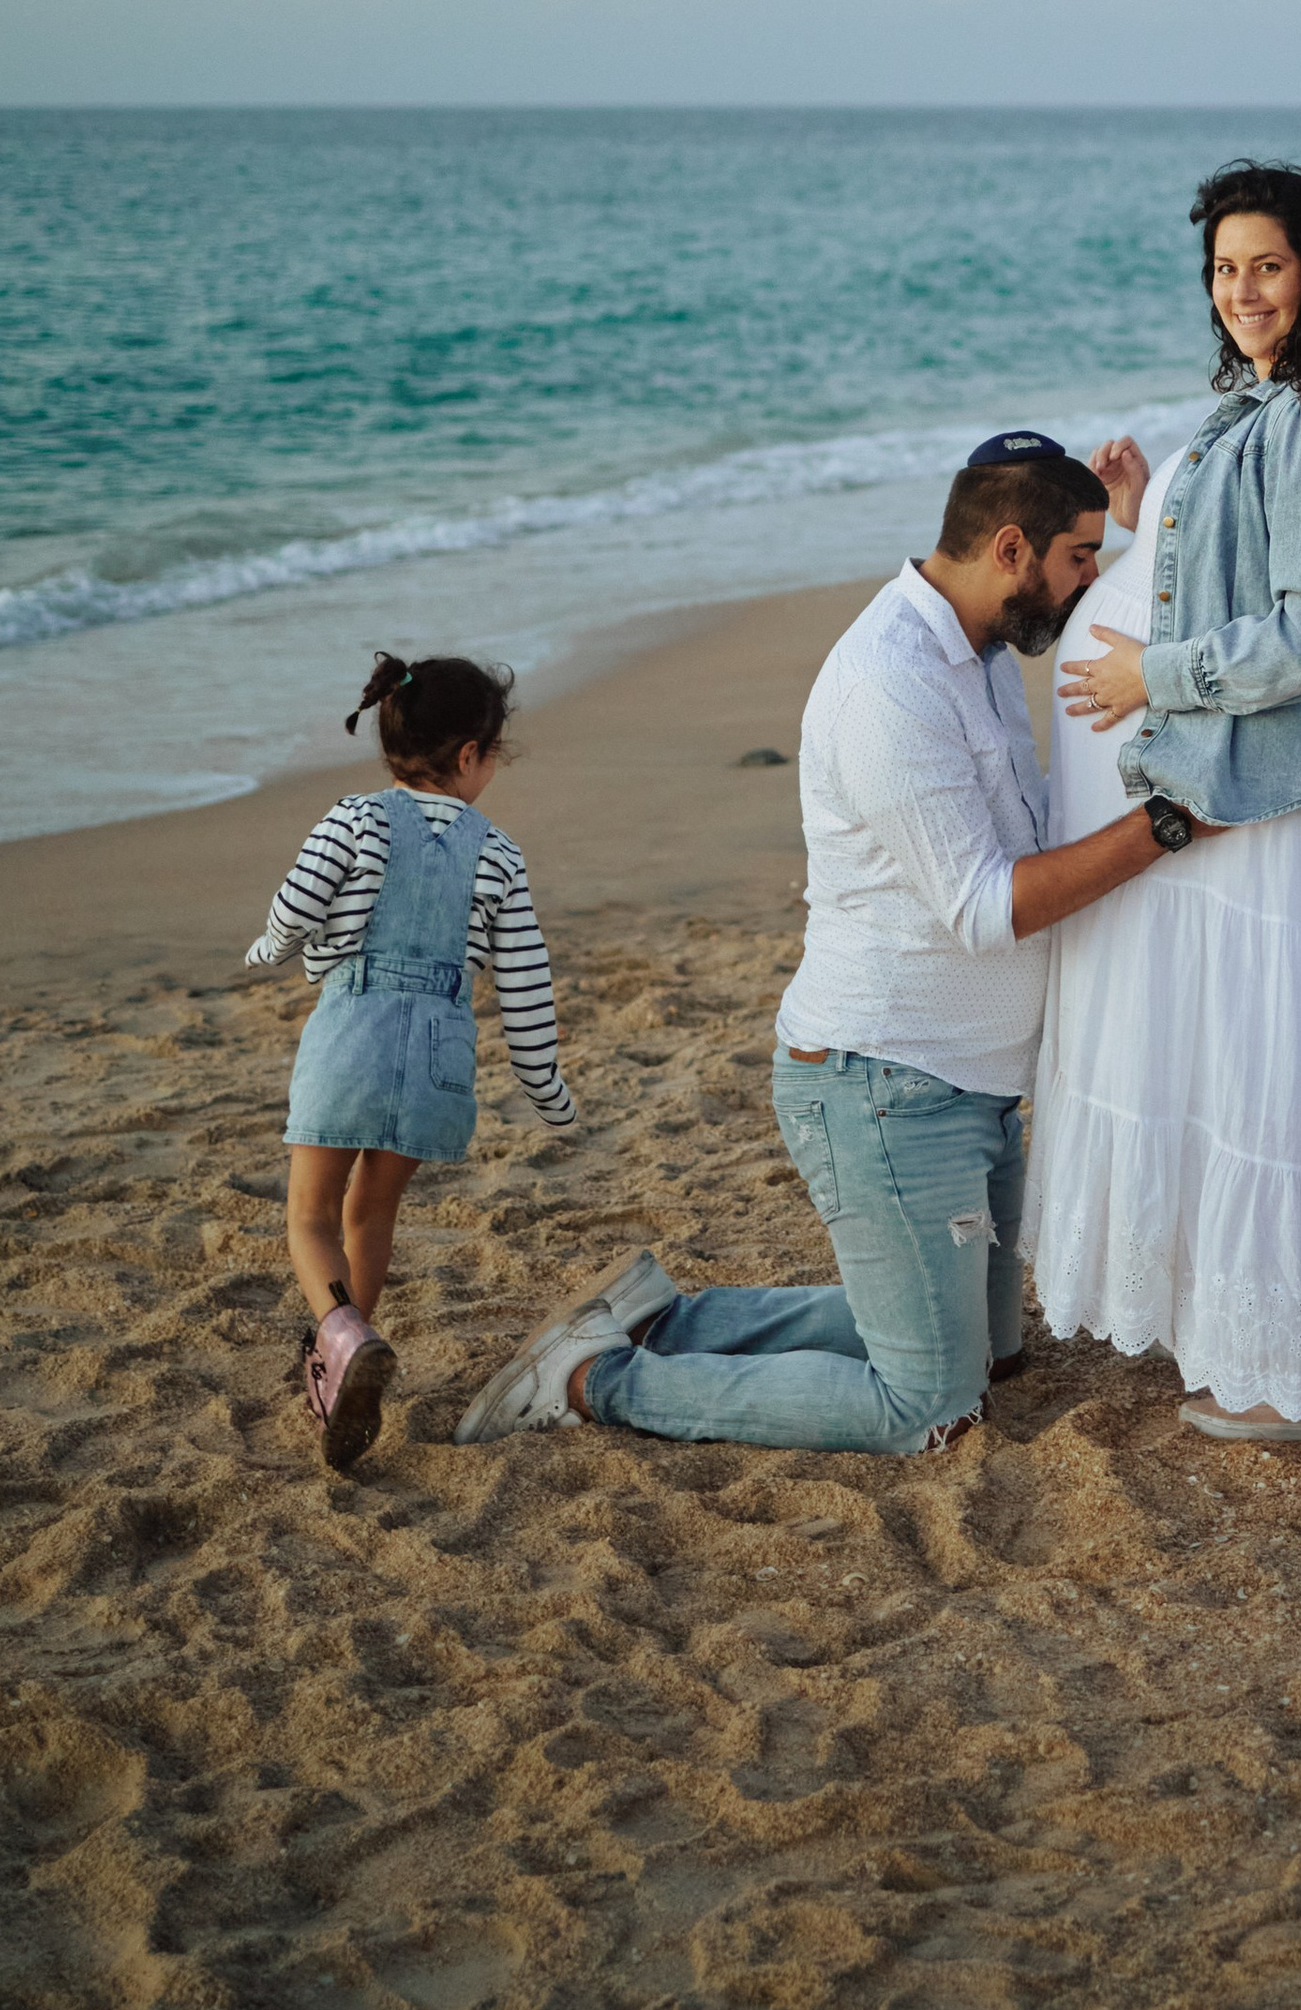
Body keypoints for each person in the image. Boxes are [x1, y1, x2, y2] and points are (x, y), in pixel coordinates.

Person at [455, 434, 1215, 1454]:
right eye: (1079, 558)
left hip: (970, 1085)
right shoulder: (890, 686)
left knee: (994, 1357)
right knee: (932, 1408)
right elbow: (985, 907)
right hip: (884, 1085)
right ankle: (595, 1377)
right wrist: (1166, 825)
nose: (1088, 582)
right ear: (1009, 549)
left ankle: (670, 1317)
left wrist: (1136, 537)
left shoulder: (982, 651)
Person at [1024, 159, 1301, 1444]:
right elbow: (1230, 568)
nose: (1241, 291)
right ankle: (1241, 1331)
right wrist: (1136, 517)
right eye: (1224, 270)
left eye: (1265, 265)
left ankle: (1292, 1369)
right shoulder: (1253, 406)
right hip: (1214, 788)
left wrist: (1147, 672)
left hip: (1270, 800)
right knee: (1218, 1062)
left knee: (1275, 1078)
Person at [247, 652, 574, 1470]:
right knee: (372, 1212)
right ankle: (346, 1352)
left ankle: (344, 1336)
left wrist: (270, 949)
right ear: (469, 754)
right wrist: (547, 1087)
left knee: (311, 1215)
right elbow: (526, 987)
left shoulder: (352, 819)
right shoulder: (499, 856)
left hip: (350, 1034)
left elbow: (295, 907)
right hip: (438, 1053)